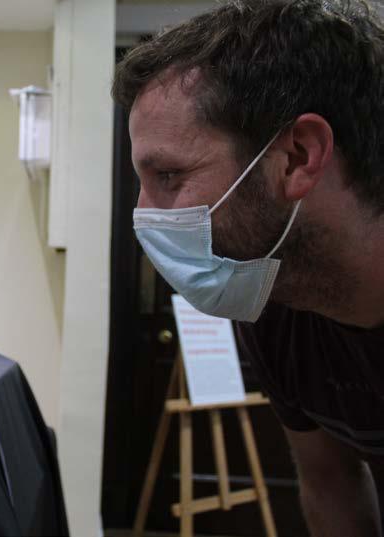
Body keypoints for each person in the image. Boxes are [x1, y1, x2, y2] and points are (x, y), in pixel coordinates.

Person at [113, 1, 384, 534]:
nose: (144, 214)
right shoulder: (275, 299)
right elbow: (330, 484)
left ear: (298, 157)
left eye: (168, 175)